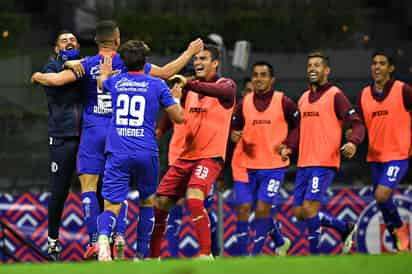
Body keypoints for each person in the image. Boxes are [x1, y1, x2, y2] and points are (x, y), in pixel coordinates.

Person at [31, 20, 203, 260]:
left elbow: (56, 80)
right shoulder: (132, 64)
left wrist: (38, 75)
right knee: (127, 193)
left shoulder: (87, 64)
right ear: (118, 39)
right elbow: (166, 72)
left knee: (90, 187)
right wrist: (189, 53)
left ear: (95, 41)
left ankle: (94, 241)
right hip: (120, 133)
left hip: (92, 132)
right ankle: (123, 238)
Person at [95, 40, 184, 261]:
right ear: (146, 61)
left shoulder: (116, 81)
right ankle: (142, 256)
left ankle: (104, 237)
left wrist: (105, 73)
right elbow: (179, 118)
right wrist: (176, 98)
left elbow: (101, 84)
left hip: (118, 151)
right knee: (146, 201)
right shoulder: (157, 85)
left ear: (123, 61)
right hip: (146, 151)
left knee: (112, 204)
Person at [150, 44, 237, 259]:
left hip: (210, 157)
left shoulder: (226, 85)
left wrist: (189, 83)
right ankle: (152, 258)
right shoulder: (188, 88)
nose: (197, 62)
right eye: (196, 59)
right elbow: (173, 111)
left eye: (203, 59)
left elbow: (221, 91)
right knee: (160, 204)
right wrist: (161, 129)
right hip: (185, 156)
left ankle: (206, 254)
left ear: (215, 63)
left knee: (194, 197)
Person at [278, 52, 365, 254]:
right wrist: (288, 146)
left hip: (324, 162)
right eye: (309, 65)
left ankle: (315, 257)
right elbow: (299, 130)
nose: (312, 69)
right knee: (300, 212)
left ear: (327, 70)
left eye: (317, 65)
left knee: (310, 208)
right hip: (304, 163)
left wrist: (352, 142)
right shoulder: (303, 98)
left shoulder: (335, 94)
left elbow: (357, 123)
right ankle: (345, 228)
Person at [231, 62, 296, 256]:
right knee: (242, 208)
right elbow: (234, 128)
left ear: (272, 79)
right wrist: (234, 135)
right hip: (247, 167)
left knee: (262, 208)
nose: (259, 78)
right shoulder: (244, 103)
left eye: (263, 75)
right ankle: (243, 259)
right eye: (256, 75)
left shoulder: (283, 101)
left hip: (274, 167)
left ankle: (255, 257)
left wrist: (289, 146)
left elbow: (299, 126)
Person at [30, 30, 83, 261]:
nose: (69, 42)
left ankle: (100, 241)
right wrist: (63, 63)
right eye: (64, 40)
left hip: (88, 138)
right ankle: (53, 241)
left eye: (73, 40)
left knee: (97, 189)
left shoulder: (87, 66)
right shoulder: (51, 66)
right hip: (62, 138)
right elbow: (50, 78)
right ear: (56, 48)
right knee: (59, 192)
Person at [356, 51, 412, 251]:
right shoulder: (363, 94)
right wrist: (352, 136)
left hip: (398, 156)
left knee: (381, 195)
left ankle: (400, 230)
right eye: (374, 63)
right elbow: (359, 125)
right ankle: (400, 245)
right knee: (381, 201)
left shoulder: (403, 90)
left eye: (382, 63)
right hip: (375, 157)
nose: (377, 67)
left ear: (391, 68)